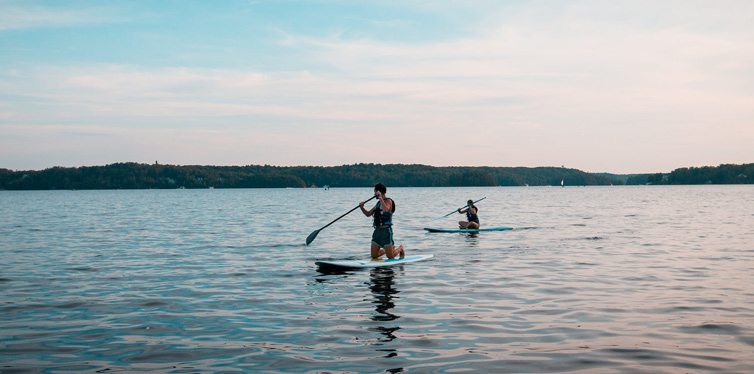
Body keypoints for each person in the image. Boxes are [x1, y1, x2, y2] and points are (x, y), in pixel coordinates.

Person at [360, 183, 405, 259]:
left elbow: (385, 210)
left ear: (379, 192)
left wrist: (380, 197)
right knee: (374, 255)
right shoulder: (378, 204)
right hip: (377, 231)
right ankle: (386, 250)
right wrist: (362, 207)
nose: (374, 194)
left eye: (375, 192)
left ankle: (400, 248)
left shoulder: (388, 201)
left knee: (390, 256)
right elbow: (368, 214)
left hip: (386, 231)